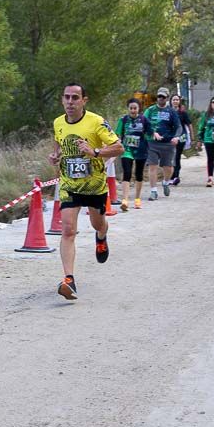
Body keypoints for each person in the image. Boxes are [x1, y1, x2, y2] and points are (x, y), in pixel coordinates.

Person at [47, 83, 123, 300]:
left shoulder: (96, 122)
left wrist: (95, 151)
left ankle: (101, 235)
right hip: (69, 185)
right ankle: (69, 280)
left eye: (75, 98)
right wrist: (56, 156)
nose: (70, 102)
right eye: (66, 97)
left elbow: (119, 147)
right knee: (68, 230)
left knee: (96, 223)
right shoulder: (58, 123)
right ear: (62, 100)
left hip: (94, 185)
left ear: (84, 100)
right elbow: (59, 146)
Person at [143, 87, 182, 200]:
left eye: (163, 97)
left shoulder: (171, 112)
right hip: (152, 143)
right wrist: (152, 133)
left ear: (167, 98)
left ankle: (165, 182)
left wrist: (176, 137)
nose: (160, 99)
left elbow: (178, 126)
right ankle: (153, 191)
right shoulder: (150, 110)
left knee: (168, 167)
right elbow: (144, 123)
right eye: (159, 96)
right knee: (152, 166)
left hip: (168, 143)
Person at [115, 97, 148, 210]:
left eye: (135, 108)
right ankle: (125, 200)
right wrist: (117, 142)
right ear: (128, 109)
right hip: (127, 150)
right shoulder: (123, 120)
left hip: (140, 151)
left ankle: (137, 199)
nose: (133, 110)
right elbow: (117, 135)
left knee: (139, 174)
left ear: (139, 109)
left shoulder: (144, 120)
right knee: (127, 173)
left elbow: (149, 133)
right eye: (131, 108)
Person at [170, 94, 191, 185]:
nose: (175, 101)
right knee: (170, 157)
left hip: (180, 137)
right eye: (174, 100)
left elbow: (189, 124)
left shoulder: (183, 113)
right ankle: (170, 175)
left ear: (179, 101)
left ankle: (176, 176)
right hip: (170, 137)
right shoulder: (168, 112)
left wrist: (192, 137)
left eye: (177, 100)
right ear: (171, 101)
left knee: (177, 156)